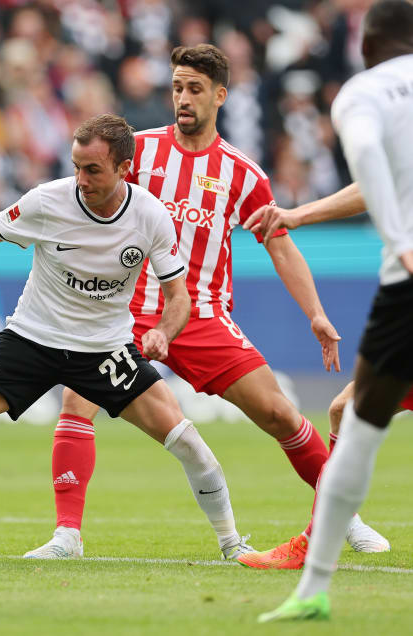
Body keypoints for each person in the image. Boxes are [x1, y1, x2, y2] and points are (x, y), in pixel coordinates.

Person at [25, 44, 388, 563]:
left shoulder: (242, 173)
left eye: (194, 88)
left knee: (280, 413)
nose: (183, 98)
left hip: (201, 315)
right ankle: (66, 536)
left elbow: (279, 243)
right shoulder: (140, 154)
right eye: (177, 87)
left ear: (220, 95)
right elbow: (88, 206)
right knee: (76, 398)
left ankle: (343, 515)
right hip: (123, 310)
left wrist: (316, 313)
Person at [0, 113, 254, 561]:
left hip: (104, 350)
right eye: (76, 166)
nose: (81, 178)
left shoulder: (151, 217)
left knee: (188, 442)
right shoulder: (47, 202)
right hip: (31, 340)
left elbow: (179, 297)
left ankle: (232, 545)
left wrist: (164, 333)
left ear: (123, 169)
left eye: (92, 169)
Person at [250, 0, 413, 619]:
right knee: (345, 409)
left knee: (356, 421)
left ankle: (315, 587)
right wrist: (298, 213)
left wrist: (399, 240)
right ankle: (315, 577)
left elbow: (368, 161)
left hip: (407, 284)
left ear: (365, 47)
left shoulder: (362, 93)